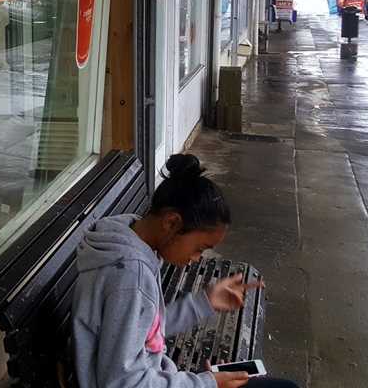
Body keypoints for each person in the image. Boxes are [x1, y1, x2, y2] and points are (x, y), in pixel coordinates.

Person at [71, 153, 299, 388]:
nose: (196, 260)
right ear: (171, 223)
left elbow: (144, 328)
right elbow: (123, 382)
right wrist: (205, 384)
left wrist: (204, 302)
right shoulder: (131, 277)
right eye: (199, 249)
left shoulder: (125, 238)